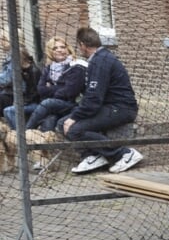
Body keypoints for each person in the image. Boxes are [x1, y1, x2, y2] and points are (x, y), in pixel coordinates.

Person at [64, 27, 141, 174]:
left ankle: (123, 154)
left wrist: (74, 117)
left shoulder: (100, 62)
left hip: (121, 108)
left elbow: (93, 99)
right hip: (109, 106)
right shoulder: (99, 58)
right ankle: (93, 155)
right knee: (63, 122)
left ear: (82, 45)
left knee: (74, 129)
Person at [5, 37, 86, 132]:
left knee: (47, 103)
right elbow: (41, 89)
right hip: (53, 105)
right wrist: (59, 88)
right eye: (55, 48)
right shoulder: (48, 68)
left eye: (62, 47)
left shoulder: (76, 66)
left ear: (68, 49)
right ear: (50, 52)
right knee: (49, 122)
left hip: (71, 104)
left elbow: (70, 92)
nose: (59, 50)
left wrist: (51, 88)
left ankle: (25, 133)